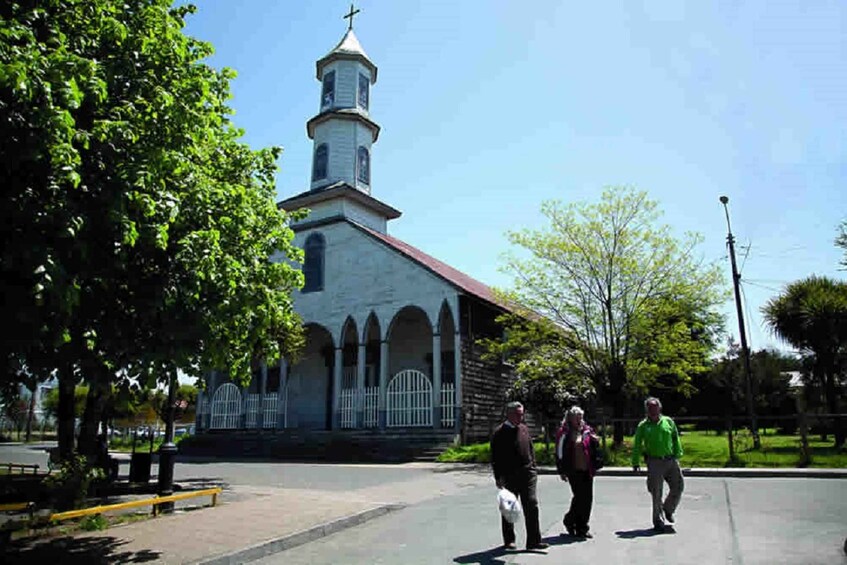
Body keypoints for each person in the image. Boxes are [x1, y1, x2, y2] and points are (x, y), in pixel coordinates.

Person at [490, 401, 549, 551]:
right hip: (510, 476)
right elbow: (495, 458)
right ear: (509, 414)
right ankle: (509, 540)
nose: (521, 417)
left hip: (528, 474)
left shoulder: (523, 429)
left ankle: (534, 541)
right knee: (509, 508)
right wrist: (498, 477)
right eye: (518, 414)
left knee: (531, 504)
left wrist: (533, 467)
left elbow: (530, 448)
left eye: (522, 414)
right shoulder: (499, 433)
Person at [631, 397, 684, 531]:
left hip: (670, 459)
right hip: (654, 462)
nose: (652, 411)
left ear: (659, 408)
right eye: (650, 409)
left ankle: (668, 508)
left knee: (678, 486)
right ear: (647, 410)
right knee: (656, 492)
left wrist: (678, 453)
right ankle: (658, 520)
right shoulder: (643, 426)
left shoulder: (668, 422)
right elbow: (637, 444)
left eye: (655, 408)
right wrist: (635, 462)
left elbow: (675, 437)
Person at [555, 406, 603, 538]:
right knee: (579, 497)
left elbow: (594, 448)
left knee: (587, 499)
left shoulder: (587, 431)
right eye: (576, 418)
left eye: (580, 417)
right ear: (569, 419)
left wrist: (595, 441)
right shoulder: (564, 432)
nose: (579, 420)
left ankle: (582, 527)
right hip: (573, 470)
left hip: (587, 469)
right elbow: (559, 452)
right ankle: (570, 521)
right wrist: (561, 470)